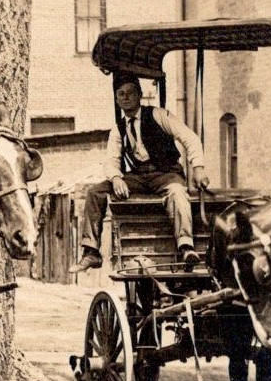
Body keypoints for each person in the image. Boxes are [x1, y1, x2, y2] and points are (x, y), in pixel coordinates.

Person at [70, 72, 209, 273]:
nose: (126, 98)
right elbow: (111, 161)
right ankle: (91, 252)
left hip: (166, 174)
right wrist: (117, 178)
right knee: (95, 192)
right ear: (117, 99)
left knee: (178, 193)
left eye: (130, 93)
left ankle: (186, 246)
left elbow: (190, 138)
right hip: (138, 177)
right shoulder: (118, 129)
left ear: (139, 95)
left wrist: (198, 168)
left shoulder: (159, 115)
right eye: (121, 94)